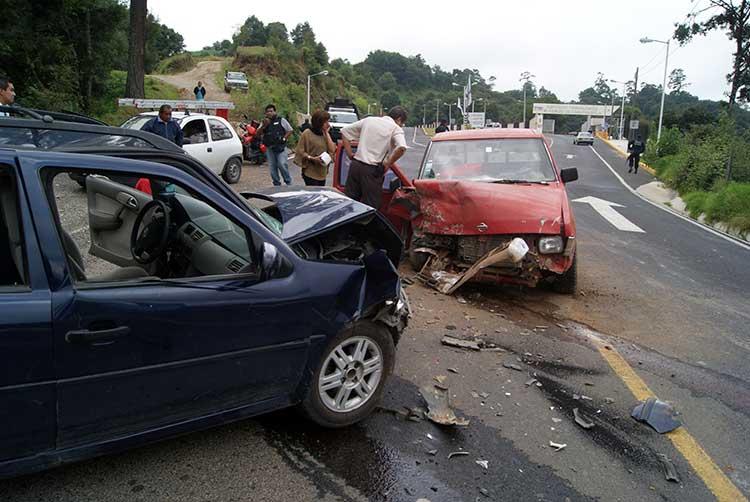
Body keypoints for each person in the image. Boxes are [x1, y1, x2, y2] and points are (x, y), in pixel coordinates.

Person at [341, 106, 408, 208]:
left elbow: (345, 132)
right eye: (402, 123)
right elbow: (402, 148)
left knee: (349, 203)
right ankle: (365, 224)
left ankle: (347, 223)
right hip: (372, 171)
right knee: (370, 207)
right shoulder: (395, 128)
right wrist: (387, 164)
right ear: (399, 119)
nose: (401, 126)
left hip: (355, 166)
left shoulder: (369, 120)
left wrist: (350, 154)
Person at [295, 110, 336, 186]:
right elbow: (300, 151)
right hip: (310, 171)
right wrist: (312, 158)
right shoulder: (307, 133)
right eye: (326, 122)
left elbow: (332, 150)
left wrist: (326, 133)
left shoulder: (326, 135)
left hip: (322, 172)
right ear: (319, 122)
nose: (328, 124)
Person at [257, 104, 293, 186]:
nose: (270, 113)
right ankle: (276, 184)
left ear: (275, 112)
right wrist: (264, 126)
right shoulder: (264, 122)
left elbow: (290, 130)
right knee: (272, 168)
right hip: (269, 148)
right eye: (268, 112)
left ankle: (288, 182)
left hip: (280, 147)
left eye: (271, 111)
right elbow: (257, 134)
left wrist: (284, 138)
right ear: (265, 113)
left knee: (282, 164)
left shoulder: (281, 120)